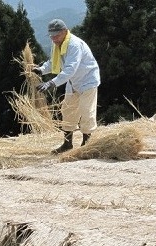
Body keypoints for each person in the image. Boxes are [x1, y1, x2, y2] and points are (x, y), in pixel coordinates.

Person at [34, 19, 100, 154]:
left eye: (56, 35)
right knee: (68, 111)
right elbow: (53, 62)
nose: (54, 39)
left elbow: (70, 69)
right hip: (72, 82)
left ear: (65, 31)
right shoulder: (57, 44)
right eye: (51, 36)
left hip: (87, 80)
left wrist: (51, 83)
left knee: (87, 111)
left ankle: (86, 145)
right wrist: (40, 70)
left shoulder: (74, 45)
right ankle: (67, 144)